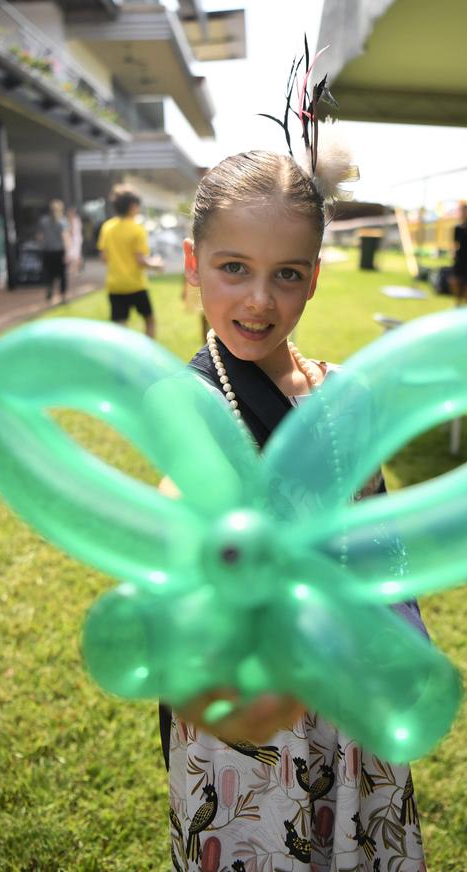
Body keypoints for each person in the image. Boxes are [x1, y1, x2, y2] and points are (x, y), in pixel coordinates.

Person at [158, 148, 428, 871]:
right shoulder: (190, 404)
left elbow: (380, 540)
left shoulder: (341, 390)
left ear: (314, 274)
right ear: (193, 261)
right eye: (233, 268)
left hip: (348, 697)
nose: (258, 302)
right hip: (252, 721)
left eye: (287, 274)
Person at [97, 185, 163, 338]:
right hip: (135, 285)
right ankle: (148, 353)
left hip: (115, 285)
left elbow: (103, 257)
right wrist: (157, 264)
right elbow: (141, 260)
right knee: (150, 320)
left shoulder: (107, 227)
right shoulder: (137, 229)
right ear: (133, 206)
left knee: (119, 327)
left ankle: (120, 358)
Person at [37, 199, 69, 303]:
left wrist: (42, 246)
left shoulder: (43, 221)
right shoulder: (63, 221)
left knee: (49, 274)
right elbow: (65, 237)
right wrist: (67, 253)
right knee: (62, 275)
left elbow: (40, 237)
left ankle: (49, 290)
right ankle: (63, 297)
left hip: (47, 251)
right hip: (59, 251)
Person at [65, 206, 83, 277]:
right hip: (72, 239)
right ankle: (72, 270)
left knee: (75, 256)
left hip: (75, 240)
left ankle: (76, 270)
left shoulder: (75, 220)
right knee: (72, 256)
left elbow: (71, 231)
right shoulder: (71, 220)